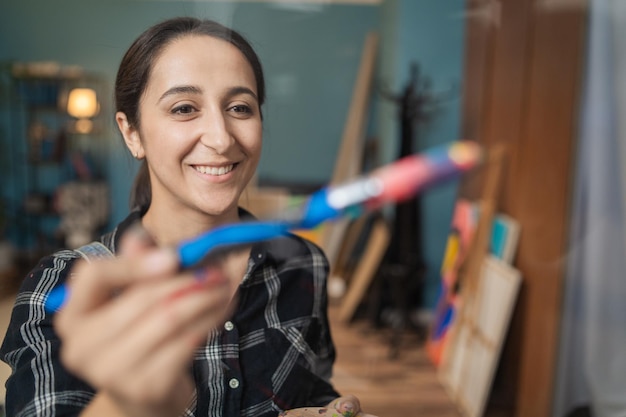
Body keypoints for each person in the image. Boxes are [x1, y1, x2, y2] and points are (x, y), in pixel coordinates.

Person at [0, 17, 373, 417]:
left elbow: (309, 388)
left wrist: (326, 409)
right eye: (183, 108)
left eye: (239, 107)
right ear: (132, 133)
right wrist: (128, 406)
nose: (221, 137)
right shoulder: (59, 289)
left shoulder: (302, 262)